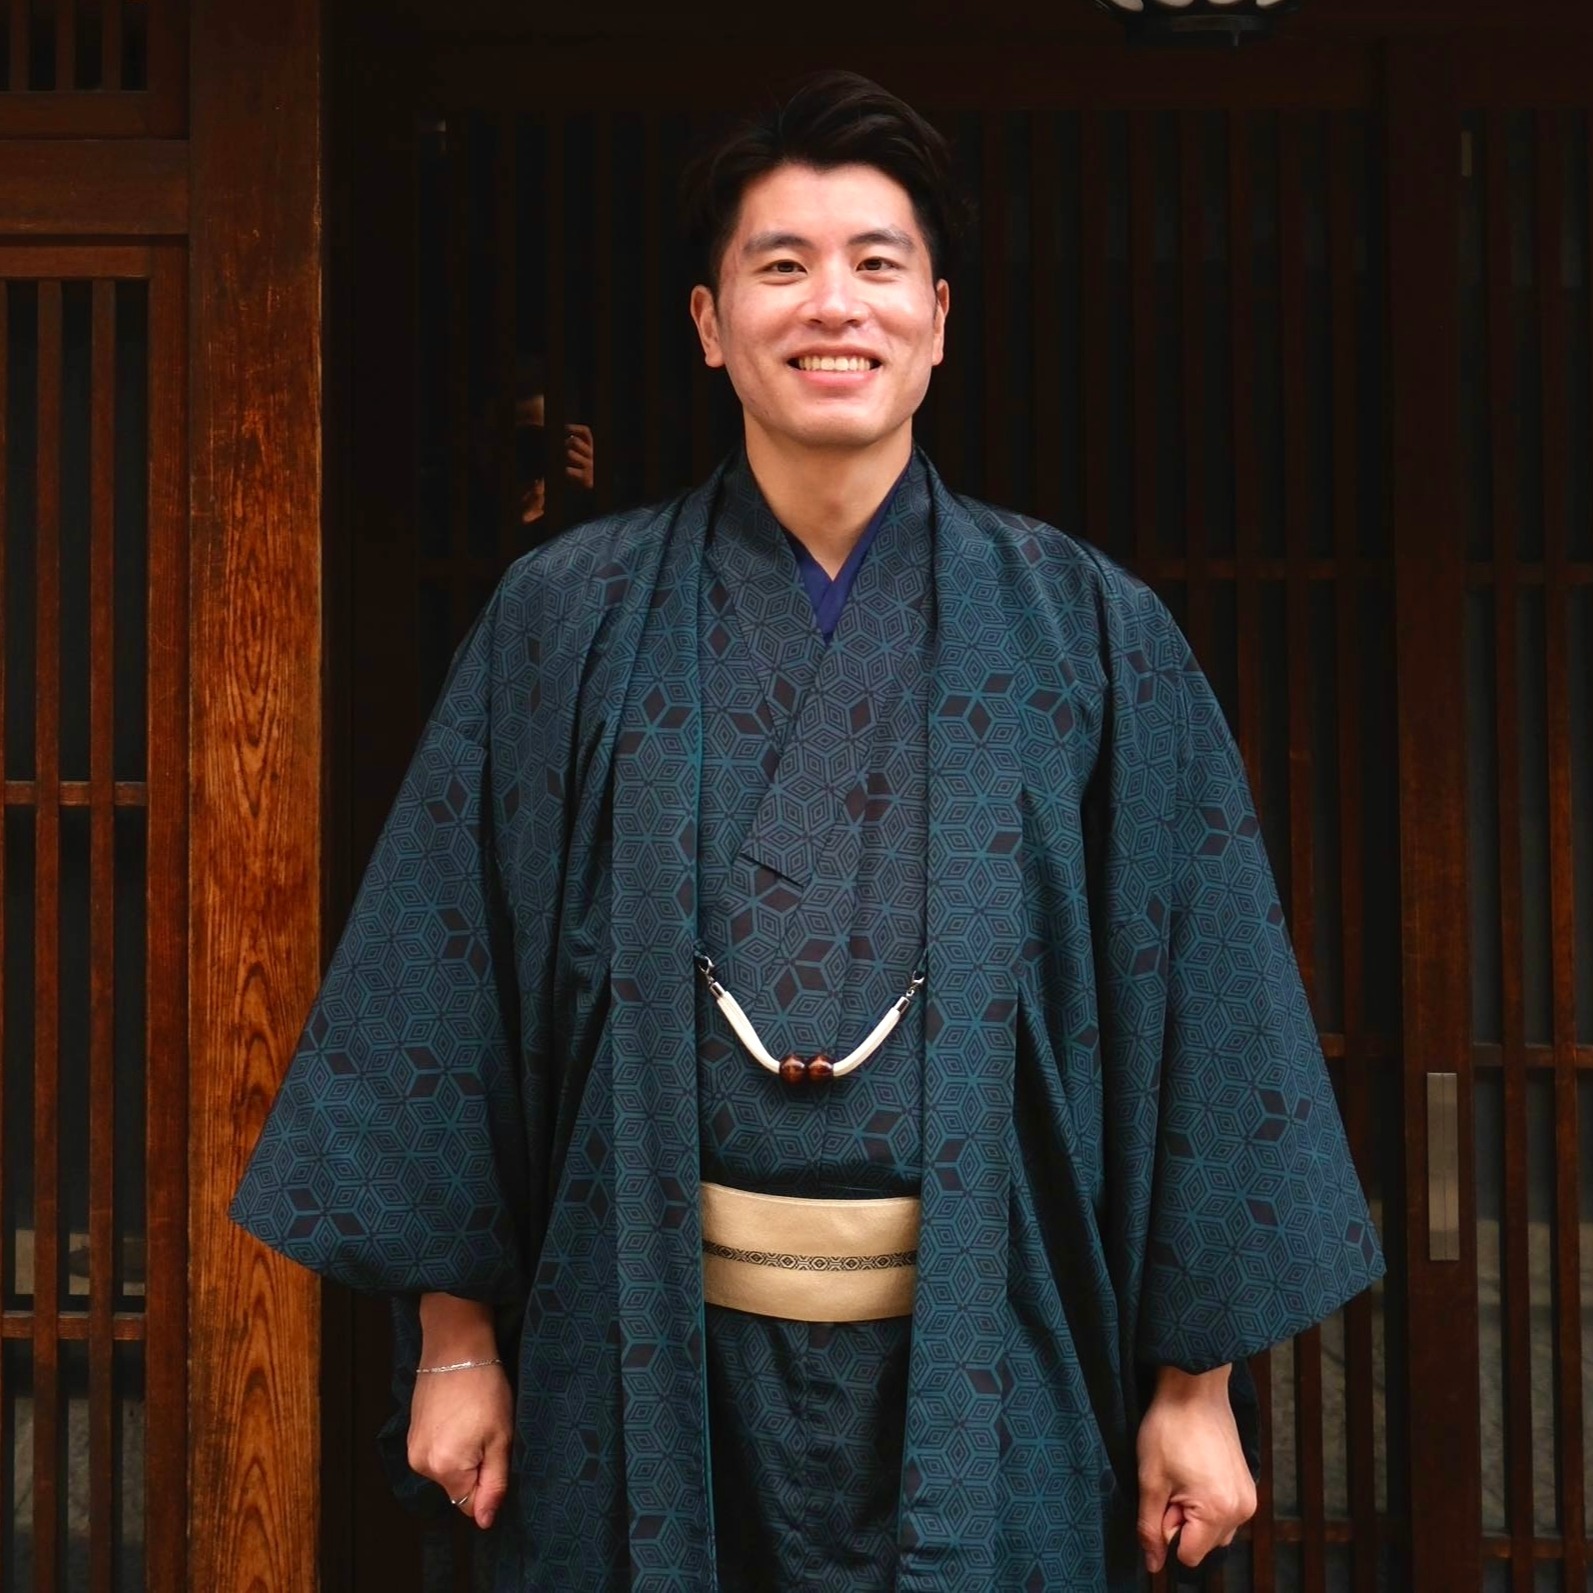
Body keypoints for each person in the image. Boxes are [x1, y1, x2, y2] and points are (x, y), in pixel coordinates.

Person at [231, 70, 1383, 1591]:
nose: (829, 305)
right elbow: (452, 972)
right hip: (642, 1350)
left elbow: (1203, 995)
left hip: (993, 1336)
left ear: (939, 316)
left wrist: (1194, 1384)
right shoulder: (567, 623)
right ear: (709, 322)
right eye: (780, 266)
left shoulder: (1089, 634)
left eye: (875, 263)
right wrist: (453, 1343)